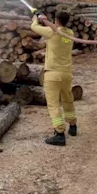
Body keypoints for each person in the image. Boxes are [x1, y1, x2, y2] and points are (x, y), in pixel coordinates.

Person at [31, 10, 77, 147]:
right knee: (68, 99)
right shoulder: (70, 33)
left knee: (54, 104)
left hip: (52, 74)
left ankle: (59, 134)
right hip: (67, 74)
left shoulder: (52, 32)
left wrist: (36, 18)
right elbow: (58, 29)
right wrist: (47, 21)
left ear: (56, 20)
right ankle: (73, 126)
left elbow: (33, 28)